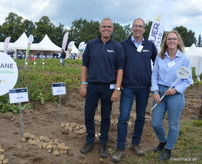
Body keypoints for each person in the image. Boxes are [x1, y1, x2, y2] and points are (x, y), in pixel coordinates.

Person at [111, 18, 157, 163]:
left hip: (144, 88)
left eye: (141, 27)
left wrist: (155, 84)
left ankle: (135, 144)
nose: (138, 29)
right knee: (123, 117)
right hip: (128, 87)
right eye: (135, 26)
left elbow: (158, 64)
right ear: (132, 28)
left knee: (141, 117)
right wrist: (118, 84)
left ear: (144, 29)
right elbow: (117, 65)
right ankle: (120, 147)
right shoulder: (123, 45)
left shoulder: (150, 45)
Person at [80, 18, 125, 158]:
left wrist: (117, 89)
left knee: (106, 116)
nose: (106, 29)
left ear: (113, 29)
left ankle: (103, 143)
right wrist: (83, 84)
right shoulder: (91, 44)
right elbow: (84, 65)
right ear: (100, 28)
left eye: (109, 26)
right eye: (104, 26)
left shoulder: (117, 47)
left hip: (108, 87)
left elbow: (120, 69)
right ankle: (90, 140)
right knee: (88, 114)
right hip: (92, 85)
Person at [151, 31, 193, 161]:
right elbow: (154, 75)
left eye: (174, 39)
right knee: (156, 123)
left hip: (175, 94)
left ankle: (168, 150)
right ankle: (163, 140)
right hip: (160, 92)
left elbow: (188, 80)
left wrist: (175, 90)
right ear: (166, 41)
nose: (172, 41)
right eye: (169, 39)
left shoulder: (184, 59)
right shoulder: (160, 57)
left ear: (178, 41)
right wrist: (156, 91)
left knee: (173, 124)